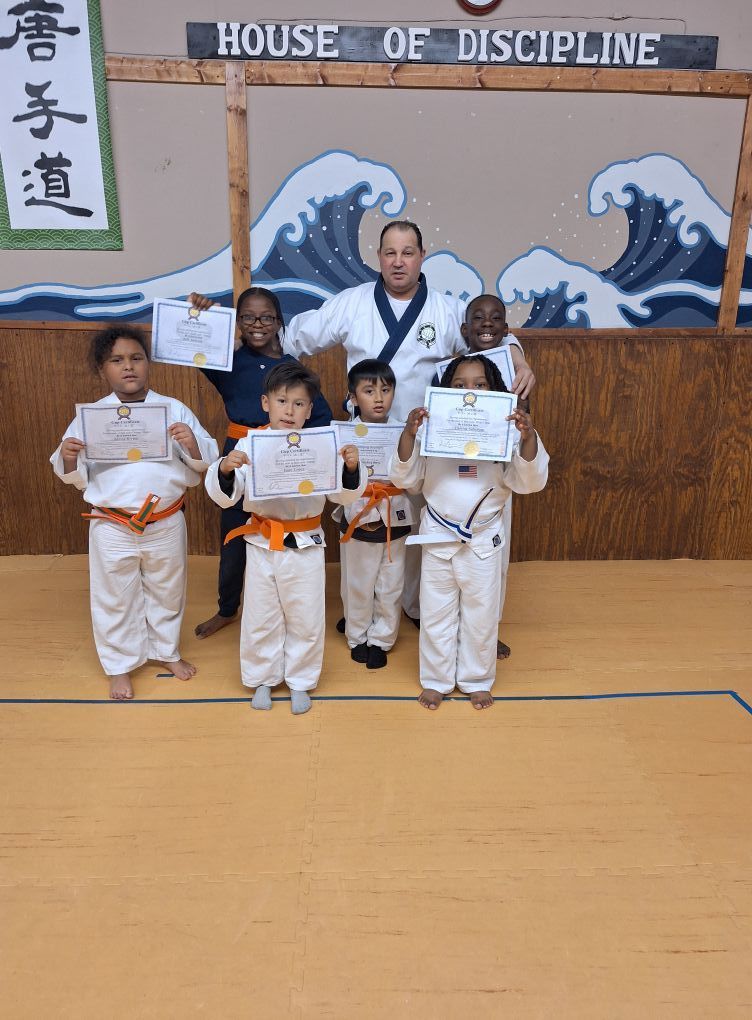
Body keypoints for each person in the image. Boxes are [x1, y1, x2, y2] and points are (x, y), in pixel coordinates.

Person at [283, 220, 535, 620]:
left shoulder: (447, 309)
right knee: (362, 527)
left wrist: (517, 352)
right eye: (390, 253)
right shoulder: (352, 302)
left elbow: (489, 334)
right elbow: (294, 338)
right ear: (378, 257)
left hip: (427, 440)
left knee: (422, 528)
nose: (398, 262)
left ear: (422, 256)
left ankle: (418, 610)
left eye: (407, 253)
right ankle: (361, 612)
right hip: (368, 438)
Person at [50, 324, 219, 701]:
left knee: (167, 590)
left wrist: (192, 444)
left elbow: (204, 461)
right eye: (117, 360)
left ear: (148, 364)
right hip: (112, 523)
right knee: (114, 595)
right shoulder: (92, 415)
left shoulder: (173, 408)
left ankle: (166, 652)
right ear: (103, 370)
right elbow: (68, 473)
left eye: (136, 358)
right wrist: (69, 455)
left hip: (165, 519)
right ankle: (120, 665)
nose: (128, 367)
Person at [389, 354, 548, 712]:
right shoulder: (433, 430)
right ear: (446, 391)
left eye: (480, 385)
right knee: (435, 613)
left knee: (481, 613)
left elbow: (529, 482)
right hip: (438, 538)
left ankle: (477, 679)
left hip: (482, 540)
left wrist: (527, 436)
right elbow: (405, 479)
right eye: (459, 386)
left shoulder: (507, 431)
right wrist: (409, 433)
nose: (470, 392)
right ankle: (436, 679)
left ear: (495, 392)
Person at [205, 362, 366, 715]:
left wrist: (351, 468)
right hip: (262, 543)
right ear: (266, 403)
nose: (289, 411)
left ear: (310, 409)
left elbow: (344, 495)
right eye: (282, 401)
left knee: (305, 615)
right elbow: (228, 495)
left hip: (305, 543)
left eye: (298, 403)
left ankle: (300, 680)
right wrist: (227, 468)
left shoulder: (324, 443)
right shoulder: (251, 442)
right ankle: (262, 678)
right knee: (261, 614)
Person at [187, 288, 332, 640]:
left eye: (266, 317)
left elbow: (321, 417)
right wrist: (204, 317)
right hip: (241, 452)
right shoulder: (229, 360)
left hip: (284, 458)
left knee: (275, 533)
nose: (257, 324)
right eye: (248, 317)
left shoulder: (294, 370)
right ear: (238, 323)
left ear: (279, 322)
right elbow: (195, 347)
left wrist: (299, 451)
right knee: (234, 533)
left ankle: (282, 606)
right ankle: (227, 608)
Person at [460, 294, 532, 660]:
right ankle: (451, 631)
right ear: (464, 329)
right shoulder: (454, 370)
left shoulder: (514, 371)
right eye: (478, 318)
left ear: (506, 330)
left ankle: (488, 632)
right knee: (451, 563)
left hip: (496, 479)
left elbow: (522, 421)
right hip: (455, 477)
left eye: (495, 319)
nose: (486, 324)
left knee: (494, 564)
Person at [333, 359, 414, 669]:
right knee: (357, 582)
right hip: (357, 515)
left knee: (391, 583)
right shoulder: (341, 434)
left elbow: (413, 477)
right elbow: (333, 484)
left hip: (396, 515)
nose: (379, 398)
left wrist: (409, 440)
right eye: (369, 391)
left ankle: (382, 638)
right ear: (353, 397)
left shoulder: (404, 432)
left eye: (385, 390)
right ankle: (357, 636)